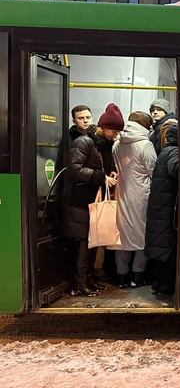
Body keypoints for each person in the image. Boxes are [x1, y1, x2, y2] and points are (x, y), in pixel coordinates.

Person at [61, 103, 123, 296]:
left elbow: (101, 165)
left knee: (92, 241)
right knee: (83, 243)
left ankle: (88, 279)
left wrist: (110, 171)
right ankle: (79, 283)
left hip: (91, 199)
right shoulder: (83, 142)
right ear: (103, 128)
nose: (116, 135)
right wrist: (100, 177)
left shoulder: (102, 143)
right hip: (79, 200)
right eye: (114, 131)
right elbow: (75, 169)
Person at [112, 111, 157, 288]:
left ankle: (121, 276)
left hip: (121, 194)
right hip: (141, 196)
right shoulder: (145, 145)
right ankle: (137, 277)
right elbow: (153, 170)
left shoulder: (117, 144)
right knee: (141, 237)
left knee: (121, 238)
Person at [146, 120, 179, 298]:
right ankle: (165, 287)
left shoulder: (165, 150)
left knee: (161, 249)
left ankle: (158, 285)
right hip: (166, 209)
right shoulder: (174, 151)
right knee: (168, 249)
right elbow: (176, 169)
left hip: (160, 207)